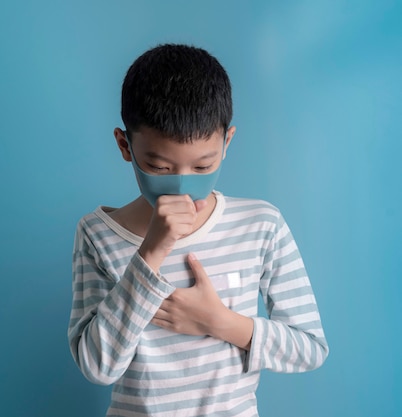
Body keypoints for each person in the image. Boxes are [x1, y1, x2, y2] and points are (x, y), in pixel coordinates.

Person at [67, 43, 329, 417]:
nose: (181, 186)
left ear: (227, 143)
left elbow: (309, 347)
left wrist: (220, 323)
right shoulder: (98, 235)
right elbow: (98, 366)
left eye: (203, 167)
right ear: (126, 146)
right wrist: (151, 253)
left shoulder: (261, 225)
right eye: (159, 168)